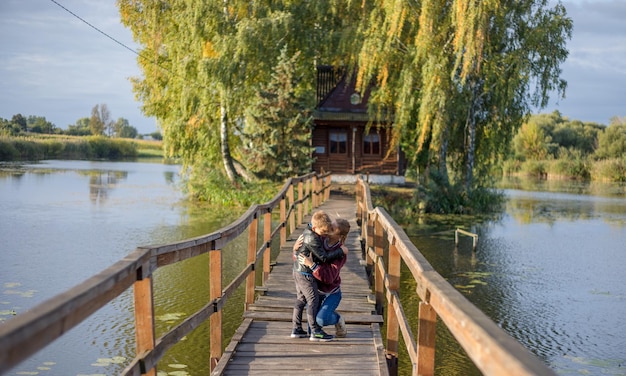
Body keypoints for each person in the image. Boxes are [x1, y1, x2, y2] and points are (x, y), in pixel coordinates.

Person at [291, 211, 345, 342]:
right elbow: (324, 257)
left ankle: (297, 329)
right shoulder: (313, 237)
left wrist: (295, 251)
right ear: (316, 228)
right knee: (312, 300)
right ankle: (315, 331)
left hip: (299, 271)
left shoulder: (313, 233)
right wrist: (340, 252)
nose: (326, 233)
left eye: (330, 230)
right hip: (304, 273)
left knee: (302, 299)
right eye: (325, 231)